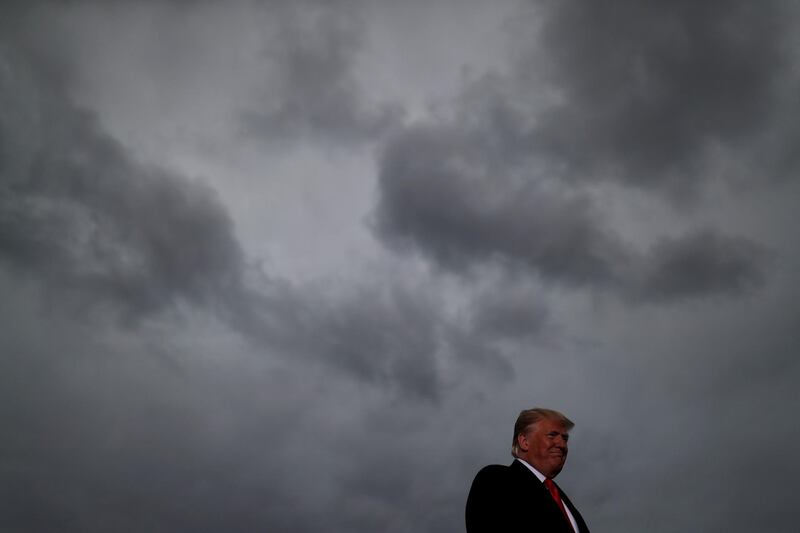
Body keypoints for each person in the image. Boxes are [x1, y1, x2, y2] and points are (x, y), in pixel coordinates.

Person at [465, 408, 591, 533]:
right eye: (552, 435)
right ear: (524, 442)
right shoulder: (496, 480)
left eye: (565, 438)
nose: (562, 445)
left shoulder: (562, 499)